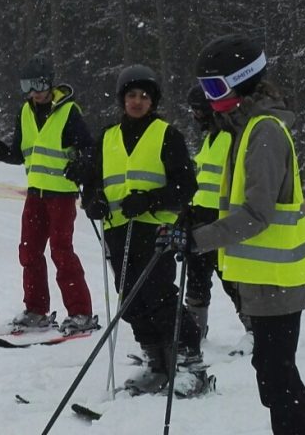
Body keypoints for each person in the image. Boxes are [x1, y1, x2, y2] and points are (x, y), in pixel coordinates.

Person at [189, 36, 305, 434]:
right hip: (265, 278)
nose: (210, 99)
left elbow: (257, 214)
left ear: (241, 82)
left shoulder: (263, 131)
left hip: (279, 278)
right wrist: (192, 226)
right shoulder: (243, 129)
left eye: (215, 87)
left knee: (278, 379)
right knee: (274, 377)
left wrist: (199, 240)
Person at [80, 64, 209, 397]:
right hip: (118, 231)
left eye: (144, 96)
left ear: (153, 101)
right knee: (131, 300)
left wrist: (151, 200)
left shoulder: (166, 135)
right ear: (122, 99)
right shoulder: (107, 136)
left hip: (155, 230)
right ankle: (155, 360)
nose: (137, 102)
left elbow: (186, 186)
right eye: (131, 95)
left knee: (158, 295)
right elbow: (93, 181)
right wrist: (92, 201)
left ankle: (188, 361)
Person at [0, 58, 97, 334]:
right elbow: (20, 154)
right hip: (36, 193)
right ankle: (36, 310)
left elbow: (90, 149)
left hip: (62, 193)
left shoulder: (68, 112)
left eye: (40, 85)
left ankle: (80, 312)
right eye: (28, 87)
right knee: (29, 250)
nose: (35, 93)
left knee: (61, 250)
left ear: (50, 83)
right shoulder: (25, 112)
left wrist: (81, 165)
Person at [182, 85, 254, 357]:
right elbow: (205, 179)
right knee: (197, 275)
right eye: (194, 111)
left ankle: (253, 327)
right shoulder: (210, 139)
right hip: (201, 214)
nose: (196, 116)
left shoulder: (232, 136)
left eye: (200, 111)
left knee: (229, 274)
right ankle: (194, 330)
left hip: (223, 217)